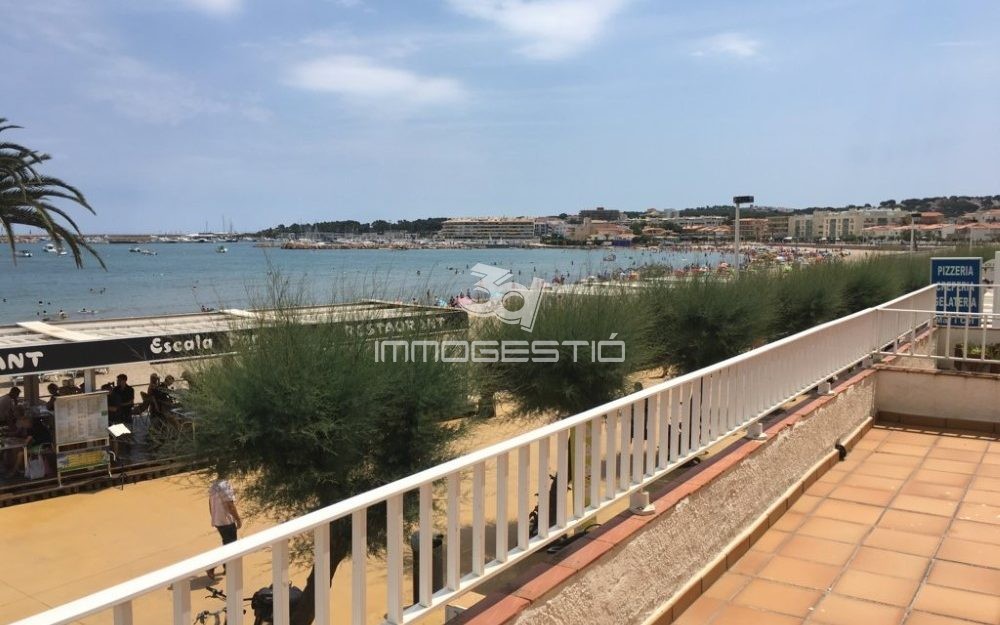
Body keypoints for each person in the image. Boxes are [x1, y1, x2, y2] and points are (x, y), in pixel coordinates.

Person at [205, 476, 242, 578]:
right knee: (230, 546)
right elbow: (230, 505)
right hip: (226, 521)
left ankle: (226, 567)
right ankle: (211, 566)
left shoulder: (213, 485)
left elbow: (210, 503)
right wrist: (238, 519)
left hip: (218, 520)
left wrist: (213, 516)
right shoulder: (224, 485)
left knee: (227, 543)